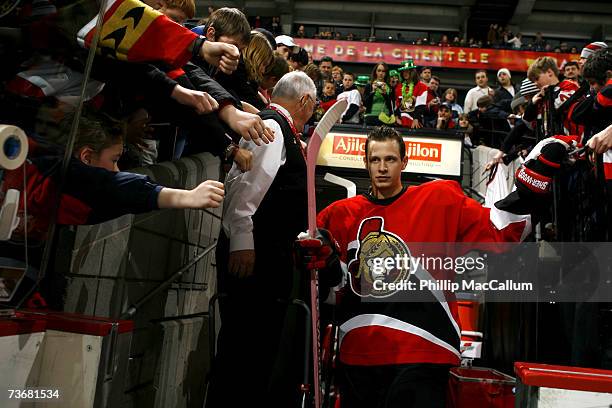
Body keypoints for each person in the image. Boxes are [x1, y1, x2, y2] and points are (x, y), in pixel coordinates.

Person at [300, 126, 574, 408]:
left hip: (424, 349)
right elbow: (334, 291)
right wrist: (324, 262)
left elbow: (501, 231)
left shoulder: (439, 199)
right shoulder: (338, 215)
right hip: (359, 351)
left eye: (391, 159)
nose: (382, 168)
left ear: (404, 162)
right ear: (365, 162)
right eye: (375, 160)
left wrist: (535, 173)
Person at [209, 71, 318, 407]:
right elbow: (244, 189)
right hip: (257, 258)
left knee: (256, 348)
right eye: (313, 108)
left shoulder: (276, 127)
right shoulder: (272, 129)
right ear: (304, 101)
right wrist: (243, 242)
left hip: (269, 253)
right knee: (245, 346)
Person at [394, 59, 428, 128]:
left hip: (415, 122)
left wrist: (416, 119)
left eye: (407, 71)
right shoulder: (399, 87)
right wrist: (396, 117)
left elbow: (420, 105)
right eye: (403, 71)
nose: (405, 73)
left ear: (413, 72)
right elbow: (396, 105)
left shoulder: (422, 86)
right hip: (400, 122)